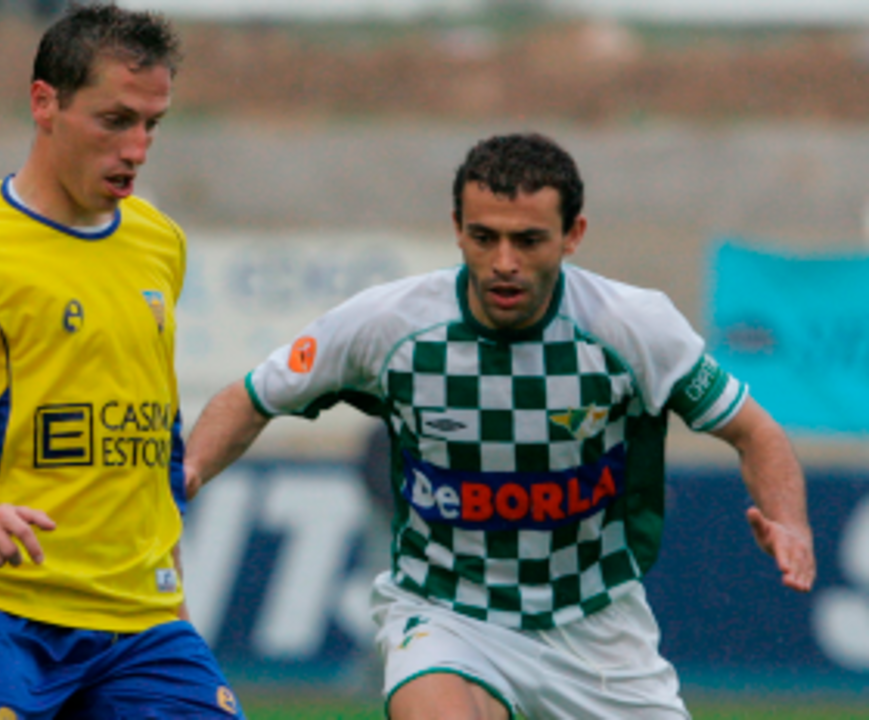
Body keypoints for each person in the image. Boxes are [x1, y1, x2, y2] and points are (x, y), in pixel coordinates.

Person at [182, 133, 815, 720]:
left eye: (529, 240)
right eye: (484, 238)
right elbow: (253, 395)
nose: (504, 262)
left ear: (573, 235)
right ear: (456, 229)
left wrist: (789, 521)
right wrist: (187, 475)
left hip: (597, 631)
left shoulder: (635, 326)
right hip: (447, 615)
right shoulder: (389, 325)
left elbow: (754, 430)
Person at [0, 4, 243, 718]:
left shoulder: (159, 243)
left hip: (138, 620)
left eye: (152, 124)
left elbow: (150, 443)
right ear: (45, 104)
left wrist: (174, 602)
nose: (137, 148)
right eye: (114, 119)